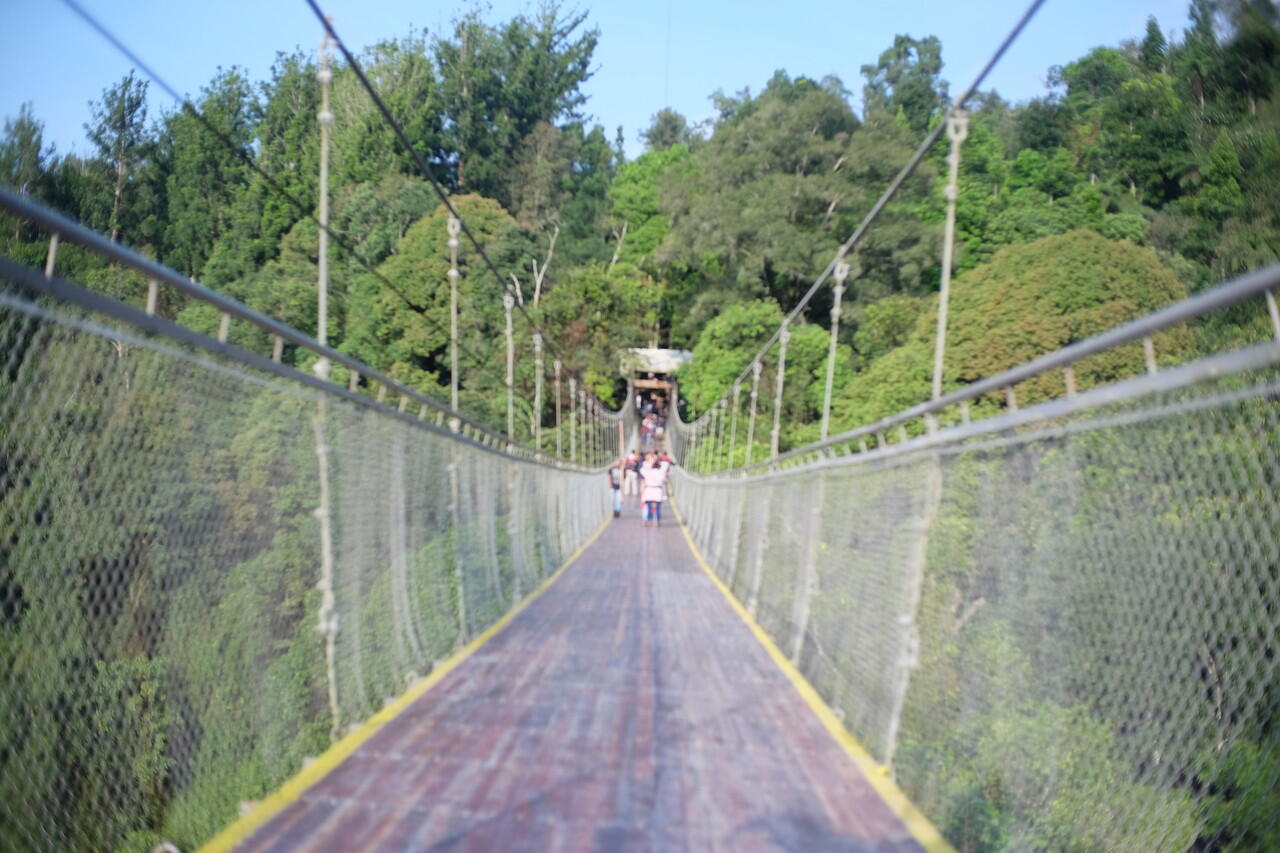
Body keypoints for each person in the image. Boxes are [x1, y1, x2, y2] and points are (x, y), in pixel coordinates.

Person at [639, 450, 669, 527]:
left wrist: (648, 463)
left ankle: (649, 520)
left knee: (649, 507)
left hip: (649, 491)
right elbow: (664, 477)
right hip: (658, 491)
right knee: (658, 508)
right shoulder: (660, 473)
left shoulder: (648, 472)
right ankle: (658, 521)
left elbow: (641, 470)